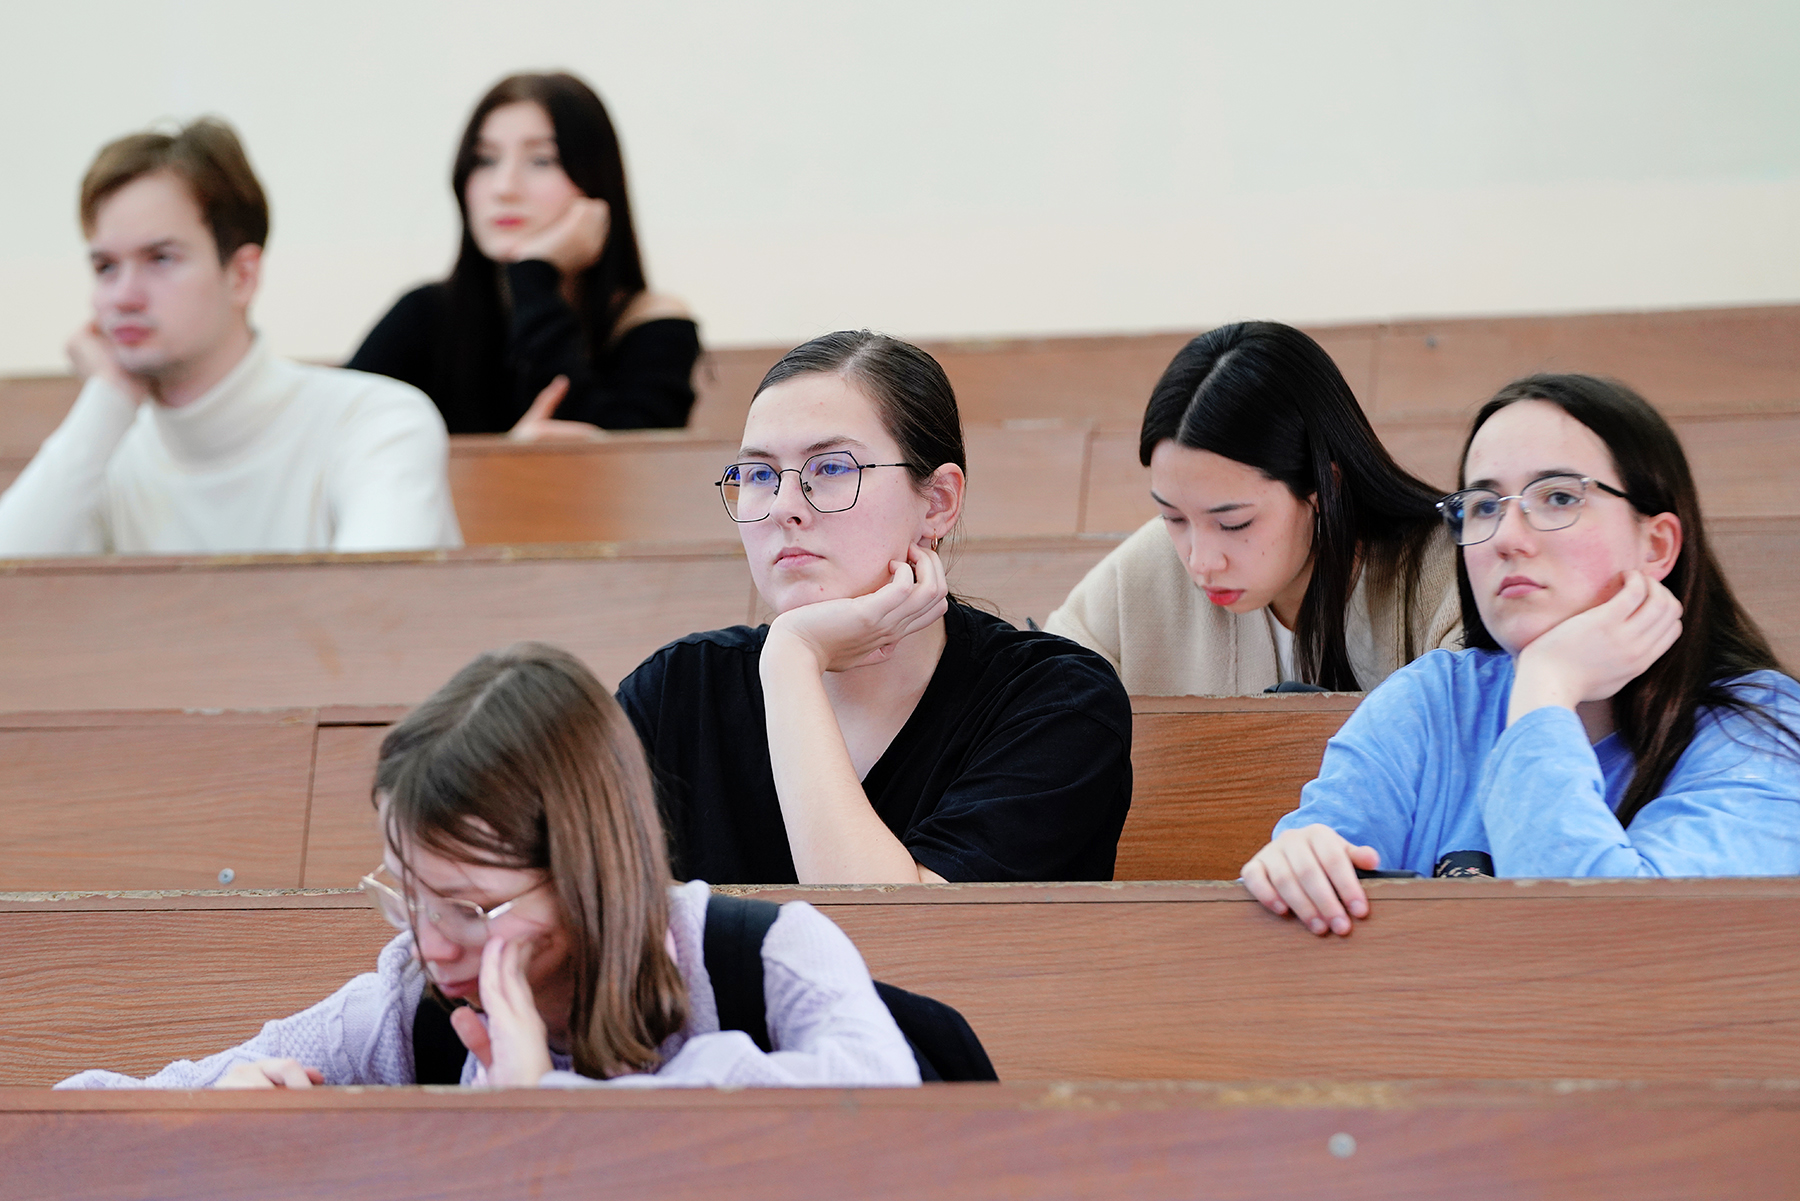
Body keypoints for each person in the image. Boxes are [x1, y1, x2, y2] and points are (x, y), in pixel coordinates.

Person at [58, 643, 920, 1089]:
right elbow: (81, 1107)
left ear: (586, 871)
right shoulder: (415, 1003)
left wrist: (541, 1103)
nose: (431, 945)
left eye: (469, 909)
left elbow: (879, 1097)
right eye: (407, 895)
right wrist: (210, 1112)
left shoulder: (764, 958)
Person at [1243, 374, 1800, 936]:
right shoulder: (1429, 700)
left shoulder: (1760, 731)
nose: (1507, 537)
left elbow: (1608, 942)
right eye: (1484, 506)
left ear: (1656, 545)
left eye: (1558, 497)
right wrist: (1296, 867)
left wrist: (1545, 688)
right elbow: (1304, 903)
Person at [618, 331, 1133, 885]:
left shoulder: (1056, 701)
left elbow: (885, 928)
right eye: (759, 475)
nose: (784, 507)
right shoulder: (674, 691)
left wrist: (793, 658)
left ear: (938, 502)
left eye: (831, 468)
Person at [0, 119, 461, 557]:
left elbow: (374, 601)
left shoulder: (376, 422)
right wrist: (110, 396)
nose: (123, 297)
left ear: (242, 275)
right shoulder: (108, 448)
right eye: (105, 267)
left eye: (160, 259)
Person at [1046, 322, 1460, 694]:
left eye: (1232, 523)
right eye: (1173, 517)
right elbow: (1050, 683)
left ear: (1325, 488)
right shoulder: (1144, 573)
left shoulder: (1448, 573)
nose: (1200, 562)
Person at [348, 72, 698, 439]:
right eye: (485, 160)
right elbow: (333, 445)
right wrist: (510, 460)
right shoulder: (424, 314)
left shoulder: (648, 322)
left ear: (596, 181)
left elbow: (631, 459)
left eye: (542, 160)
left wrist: (534, 275)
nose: (504, 188)